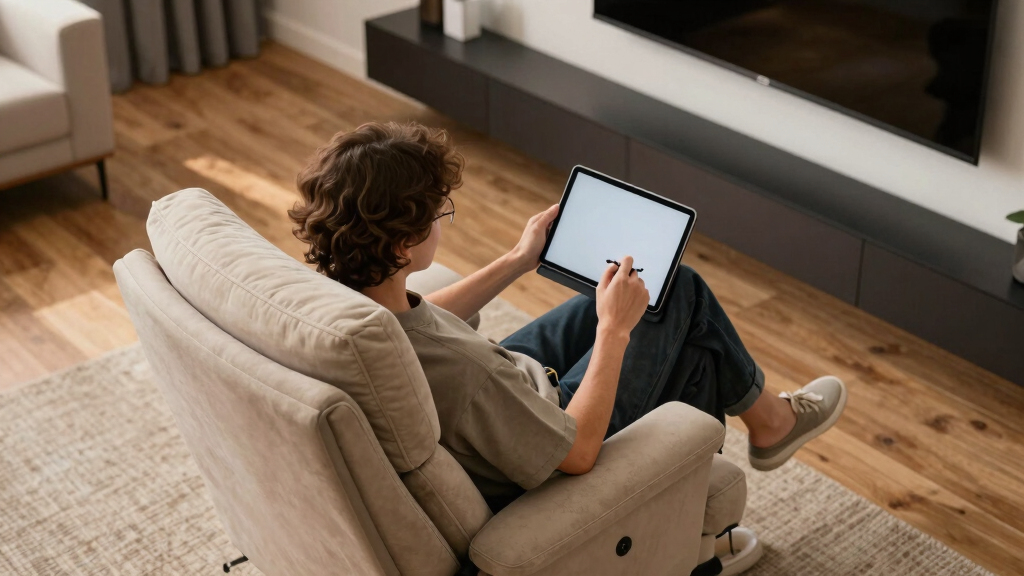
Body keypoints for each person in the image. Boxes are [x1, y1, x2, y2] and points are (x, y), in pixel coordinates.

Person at [289, 121, 847, 512]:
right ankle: (761, 437)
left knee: (638, 296)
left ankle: (763, 428)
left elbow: (414, 322)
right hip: (538, 421)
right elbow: (576, 453)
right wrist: (613, 330)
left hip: (503, 392)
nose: (443, 221)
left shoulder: (332, 302)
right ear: (405, 244)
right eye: (440, 213)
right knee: (674, 302)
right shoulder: (466, 372)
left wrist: (518, 259)